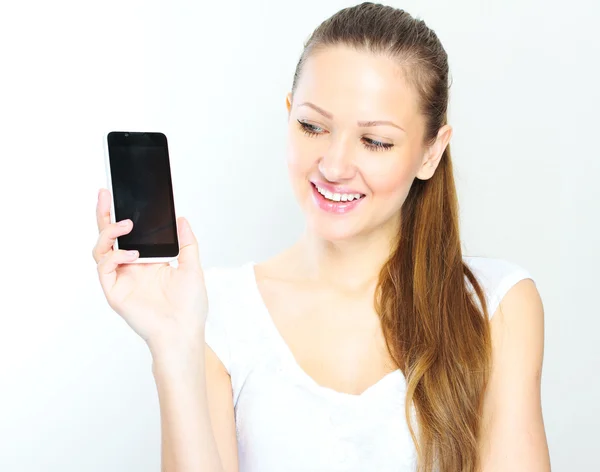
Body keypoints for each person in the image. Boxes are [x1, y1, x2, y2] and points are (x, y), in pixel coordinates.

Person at [92, 3, 550, 471]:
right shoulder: (215, 310)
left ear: (432, 152)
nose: (333, 166)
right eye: (313, 126)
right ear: (289, 115)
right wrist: (173, 343)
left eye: (375, 141)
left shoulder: (495, 306)